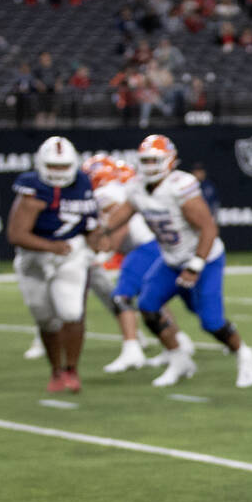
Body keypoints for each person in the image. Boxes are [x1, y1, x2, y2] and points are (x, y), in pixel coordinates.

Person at [103, 134, 252, 388]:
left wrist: (195, 265)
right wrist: (100, 230)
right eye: (145, 160)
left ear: (169, 160)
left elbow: (208, 228)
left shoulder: (180, 186)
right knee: (148, 306)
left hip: (205, 260)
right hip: (171, 260)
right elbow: (120, 215)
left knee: (211, 322)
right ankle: (179, 359)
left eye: (155, 160)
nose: (150, 166)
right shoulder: (137, 187)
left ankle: (244, 353)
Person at [84, 154, 195, 375]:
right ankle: (178, 342)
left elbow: (120, 227)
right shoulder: (119, 188)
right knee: (153, 299)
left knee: (122, 297)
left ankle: (132, 350)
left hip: (144, 246)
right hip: (152, 244)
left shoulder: (105, 193)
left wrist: (105, 255)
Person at [6, 136, 100, 392]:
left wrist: (98, 239)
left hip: (70, 254)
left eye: (63, 166)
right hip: (34, 259)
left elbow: (90, 224)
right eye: (53, 166)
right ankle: (56, 371)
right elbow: (16, 235)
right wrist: (51, 246)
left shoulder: (84, 182)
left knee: (71, 312)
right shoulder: (32, 187)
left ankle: (71, 370)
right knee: (45, 318)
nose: (58, 172)